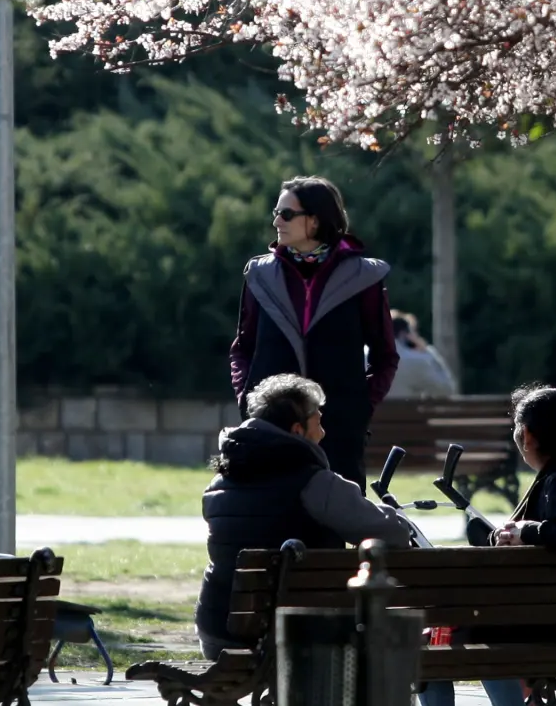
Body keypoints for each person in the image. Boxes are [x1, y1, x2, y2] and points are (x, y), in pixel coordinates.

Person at [419, 385, 556, 706]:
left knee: (433, 645)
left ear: (529, 436)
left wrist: (527, 531)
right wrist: (518, 534)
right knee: (473, 633)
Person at [196, 374, 415, 660]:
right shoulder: (314, 483)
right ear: (298, 430)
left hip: (218, 630)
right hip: (292, 633)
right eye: (318, 422)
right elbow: (394, 533)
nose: (323, 433)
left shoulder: (218, 485)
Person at [230, 176, 399, 488]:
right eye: (276, 213)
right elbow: (242, 349)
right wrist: (247, 400)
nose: (277, 221)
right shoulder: (258, 275)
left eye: (287, 214)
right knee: (270, 526)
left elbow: (385, 355)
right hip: (270, 427)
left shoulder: (365, 276)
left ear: (316, 220)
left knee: (334, 528)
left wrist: (359, 407)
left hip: (337, 432)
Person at [384, 311, 458, 398]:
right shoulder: (416, 362)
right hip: (405, 412)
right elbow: (447, 389)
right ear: (406, 335)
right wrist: (428, 351)